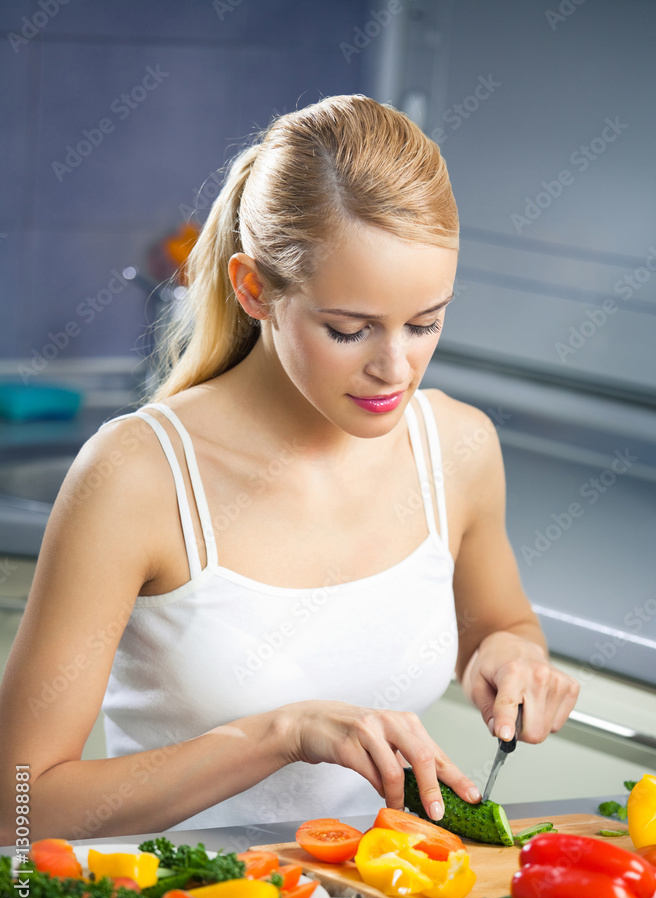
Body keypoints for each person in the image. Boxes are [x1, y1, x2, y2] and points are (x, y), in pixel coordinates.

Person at [0, 94, 579, 842]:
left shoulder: (458, 448)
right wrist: (274, 736)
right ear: (254, 290)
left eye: (427, 322)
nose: (394, 369)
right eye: (349, 329)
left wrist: (513, 657)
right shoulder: (138, 476)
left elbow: (499, 627)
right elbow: (19, 806)